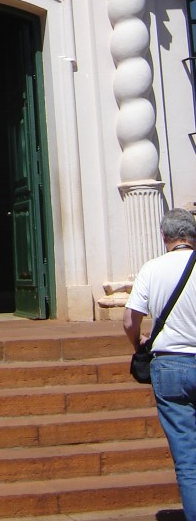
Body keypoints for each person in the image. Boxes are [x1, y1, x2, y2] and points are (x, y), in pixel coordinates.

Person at [123, 207, 196, 521]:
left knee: (187, 457)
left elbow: (129, 319)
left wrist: (137, 343)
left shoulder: (152, 268)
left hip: (170, 365)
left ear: (164, 236)